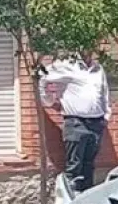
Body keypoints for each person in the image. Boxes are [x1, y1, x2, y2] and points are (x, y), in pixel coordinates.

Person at [41, 50, 111, 192]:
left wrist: (106, 115)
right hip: (76, 122)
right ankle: (71, 198)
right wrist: (49, 102)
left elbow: (104, 93)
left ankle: (86, 197)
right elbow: (42, 77)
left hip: (96, 123)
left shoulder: (98, 69)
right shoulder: (67, 66)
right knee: (74, 164)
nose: (90, 48)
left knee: (89, 164)